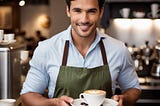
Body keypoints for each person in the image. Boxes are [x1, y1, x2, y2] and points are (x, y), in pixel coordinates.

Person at [20, 0, 141, 106]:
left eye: (91, 11)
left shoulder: (118, 49)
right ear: (68, 11)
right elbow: (28, 96)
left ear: (101, 11)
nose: (84, 19)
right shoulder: (47, 49)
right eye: (77, 11)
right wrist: (53, 103)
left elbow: (133, 88)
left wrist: (123, 99)